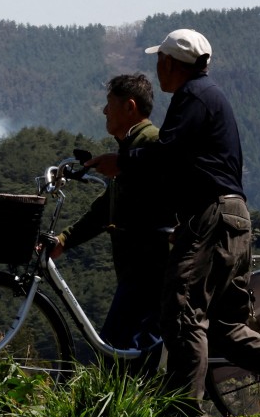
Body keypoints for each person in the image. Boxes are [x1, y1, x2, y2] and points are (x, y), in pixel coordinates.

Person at [86, 28, 260, 417]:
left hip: (211, 215)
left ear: (169, 63)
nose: (157, 69)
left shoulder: (192, 97)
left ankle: (184, 411)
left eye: (159, 61)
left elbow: (167, 155)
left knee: (181, 308)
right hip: (234, 216)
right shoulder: (207, 95)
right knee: (225, 326)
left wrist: (122, 164)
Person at [49, 73, 172, 351]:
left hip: (150, 268)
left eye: (109, 103)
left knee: (121, 350)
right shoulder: (132, 146)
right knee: (126, 348)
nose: (105, 110)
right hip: (140, 269)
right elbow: (107, 208)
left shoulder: (148, 144)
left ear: (130, 106)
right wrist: (65, 239)